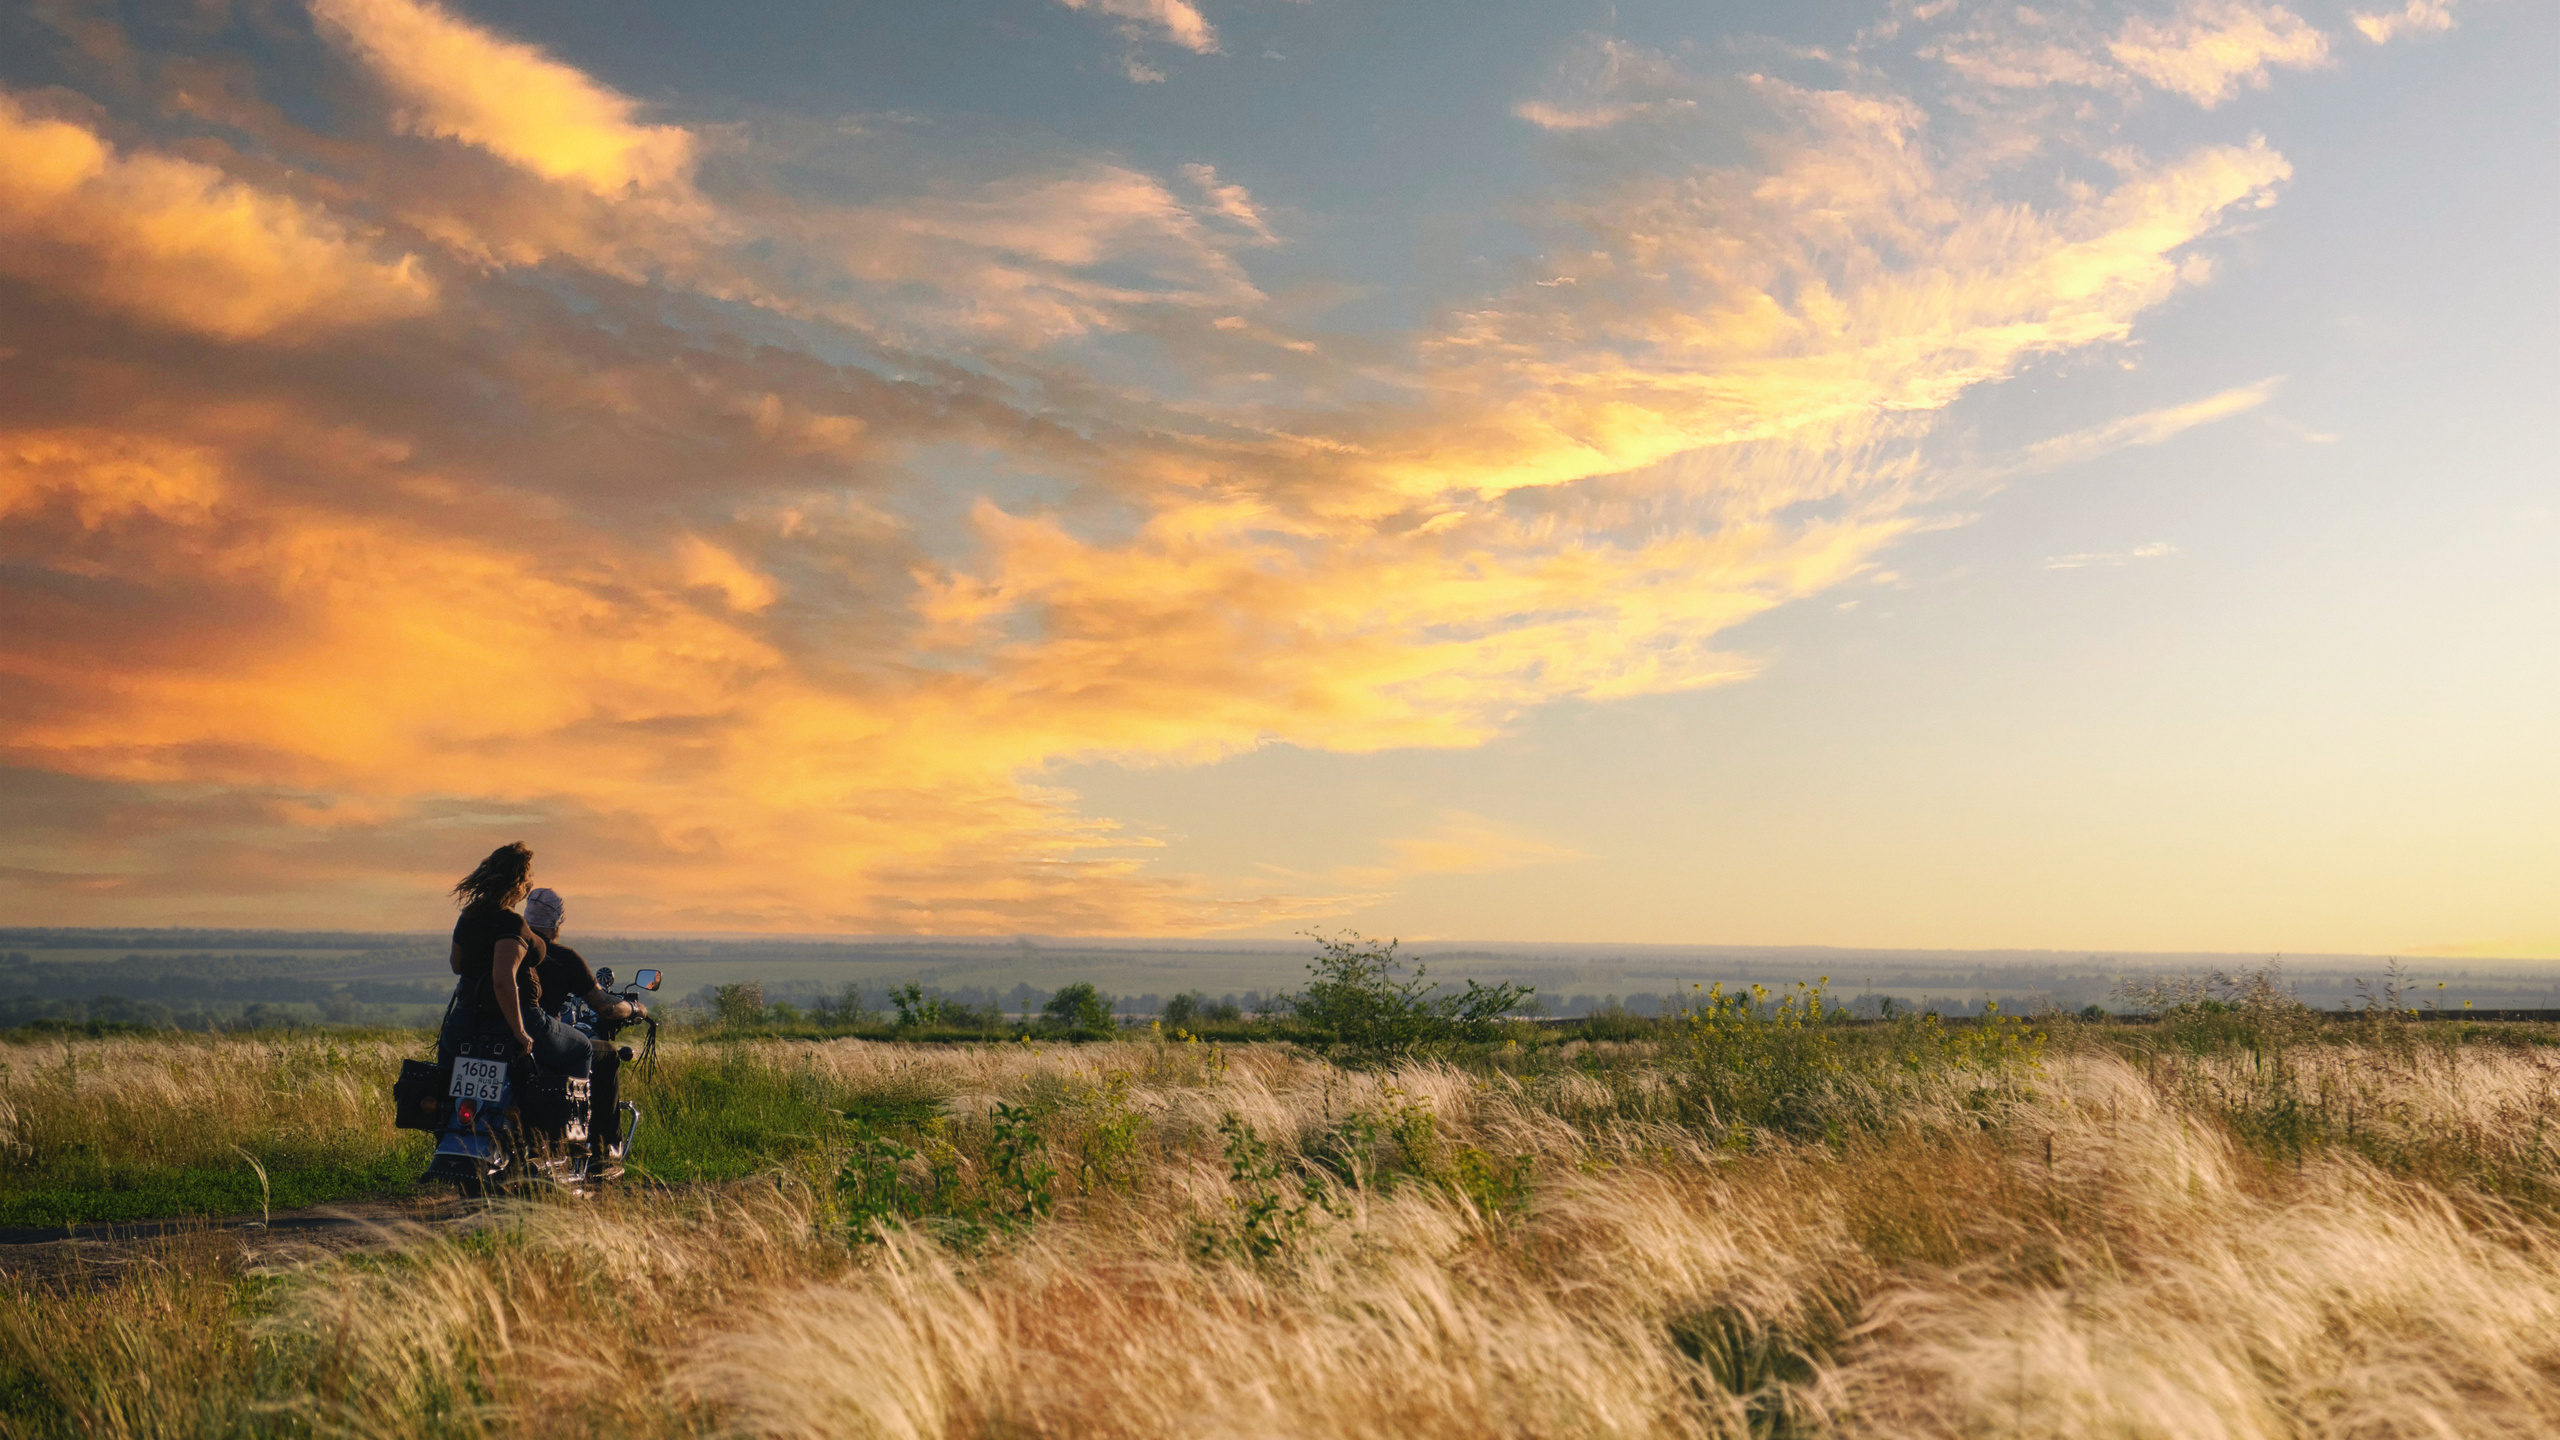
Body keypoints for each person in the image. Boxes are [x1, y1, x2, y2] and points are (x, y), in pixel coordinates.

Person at [439, 843, 591, 1089]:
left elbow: (457, 965)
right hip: (520, 1020)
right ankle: (566, 1126)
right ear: (519, 882)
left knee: (444, 1082)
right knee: (582, 1048)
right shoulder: (512, 923)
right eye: (529, 877)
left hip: (464, 1019)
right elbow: (502, 979)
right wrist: (519, 1031)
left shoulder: (468, 917)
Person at [522, 886, 642, 1159]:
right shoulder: (563, 958)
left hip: (501, 1031)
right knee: (606, 1053)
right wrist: (634, 1008)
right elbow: (604, 1006)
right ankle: (602, 1147)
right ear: (556, 922)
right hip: (541, 1034)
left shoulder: (507, 948)